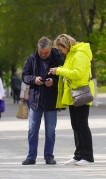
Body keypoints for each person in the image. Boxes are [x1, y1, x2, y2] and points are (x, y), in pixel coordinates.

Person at [49, 34, 95, 166]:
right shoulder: (71, 55)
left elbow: (77, 74)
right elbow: (69, 70)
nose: (60, 52)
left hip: (81, 92)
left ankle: (88, 156)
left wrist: (59, 71)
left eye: (61, 49)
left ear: (66, 45)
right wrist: (59, 70)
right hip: (73, 93)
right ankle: (78, 155)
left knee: (82, 125)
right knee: (76, 126)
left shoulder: (79, 54)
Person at [21, 37, 65, 165]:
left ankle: (49, 156)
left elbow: (64, 77)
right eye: (41, 52)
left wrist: (53, 82)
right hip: (35, 100)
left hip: (51, 100)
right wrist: (34, 79)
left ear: (51, 49)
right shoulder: (32, 58)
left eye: (45, 53)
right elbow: (25, 76)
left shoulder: (58, 59)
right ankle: (31, 157)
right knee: (32, 129)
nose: (43, 55)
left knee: (50, 130)